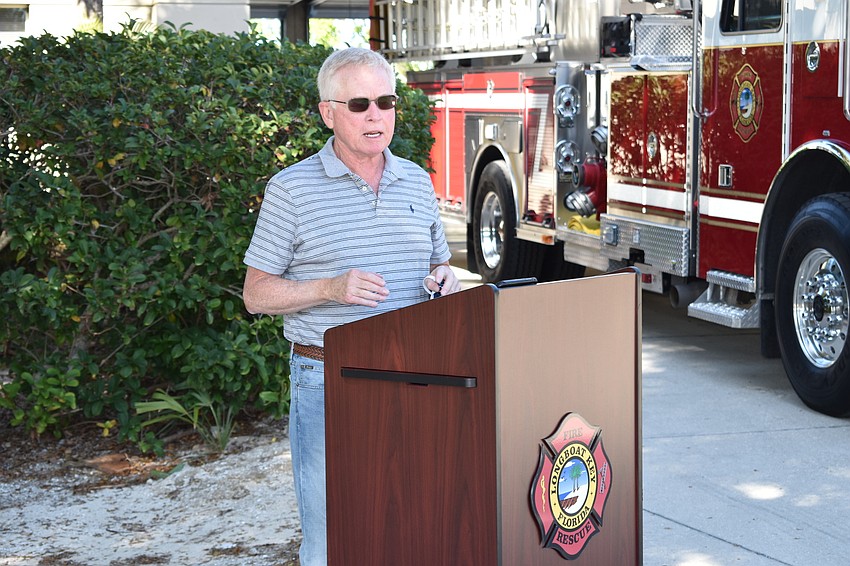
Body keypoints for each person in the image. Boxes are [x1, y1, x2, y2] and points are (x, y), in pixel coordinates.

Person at [241, 47, 461, 566]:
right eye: (359, 104)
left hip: (416, 375)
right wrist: (330, 288)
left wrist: (445, 278)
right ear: (328, 112)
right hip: (328, 380)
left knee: (413, 522)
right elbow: (256, 295)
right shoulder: (290, 190)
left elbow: (439, 263)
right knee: (332, 535)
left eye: (385, 101)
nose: (375, 115)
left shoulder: (416, 179)